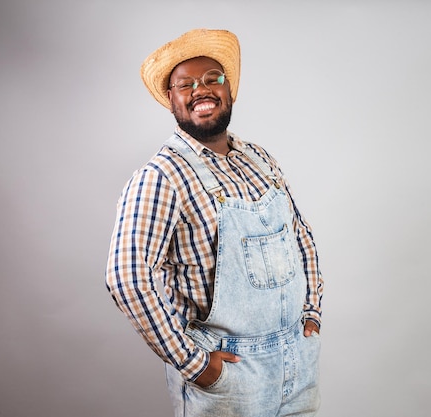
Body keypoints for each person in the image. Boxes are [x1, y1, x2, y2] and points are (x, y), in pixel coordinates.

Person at [105, 28, 324, 416]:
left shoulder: (258, 158)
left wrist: (311, 314)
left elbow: (300, 235)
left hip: (297, 362)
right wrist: (197, 366)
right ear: (171, 99)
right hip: (231, 377)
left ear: (229, 89)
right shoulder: (162, 175)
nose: (200, 90)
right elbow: (127, 277)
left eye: (212, 79)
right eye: (184, 84)